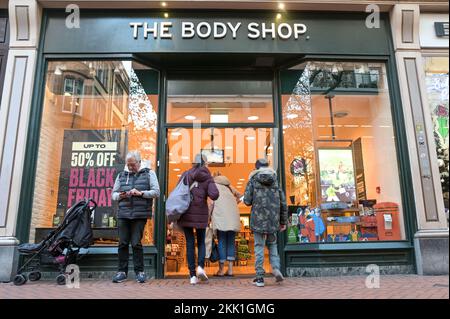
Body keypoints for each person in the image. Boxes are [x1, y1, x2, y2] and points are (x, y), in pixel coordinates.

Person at [111, 151, 160, 283]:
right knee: (122, 243)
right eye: (129, 165)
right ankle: (122, 272)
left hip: (139, 214)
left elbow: (156, 192)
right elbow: (113, 195)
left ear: (139, 162)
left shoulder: (149, 173)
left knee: (136, 243)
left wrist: (141, 193)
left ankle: (140, 272)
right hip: (123, 213)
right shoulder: (121, 175)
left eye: (133, 164)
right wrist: (120, 195)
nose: (131, 167)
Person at [243, 158, 288, 287]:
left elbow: (247, 200)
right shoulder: (275, 179)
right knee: (273, 245)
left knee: (259, 247)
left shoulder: (253, 179)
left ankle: (260, 277)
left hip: (258, 219)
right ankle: (276, 269)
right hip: (273, 220)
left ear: (256, 167)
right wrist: (283, 221)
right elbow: (283, 202)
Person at [177, 154, 219, 285]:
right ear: (205, 163)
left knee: (190, 243)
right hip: (201, 214)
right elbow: (214, 194)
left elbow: (177, 191)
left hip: (186, 213)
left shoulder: (186, 174)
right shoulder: (208, 177)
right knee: (201, 242)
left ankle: (192, 276)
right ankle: (200, 267)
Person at [211, 174, 242, 277]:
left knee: (222, 241)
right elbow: (241, 196)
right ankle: (230, 270)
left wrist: (208, 216)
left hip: (221, 216)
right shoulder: (229, 186)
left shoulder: (213, 185)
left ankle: (221, 270)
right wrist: (235, 203)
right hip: (232, 215)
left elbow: (211, 203)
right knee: (231, 242)